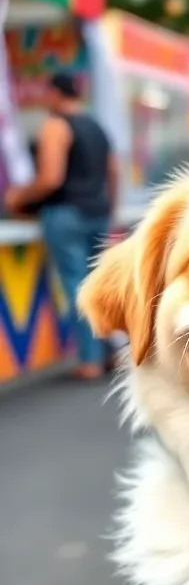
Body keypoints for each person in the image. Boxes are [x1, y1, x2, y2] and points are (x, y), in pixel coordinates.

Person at [4, 72, 116, 380]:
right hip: (97, 212)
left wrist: (18, 197)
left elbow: (51, 178)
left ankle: (90, 360)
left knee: (77, 286)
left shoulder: (55, 126)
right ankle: (110, 354)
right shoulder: (97, 127)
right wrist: (109, 207)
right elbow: (113, 171)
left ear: (54, 94)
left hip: (66, 213)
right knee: (98, 285)